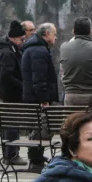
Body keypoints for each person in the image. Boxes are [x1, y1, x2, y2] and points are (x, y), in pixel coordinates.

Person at [22, 23, 60, 172]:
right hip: (38, 98)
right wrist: (44, 99)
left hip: (31, 96)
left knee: (36, 128)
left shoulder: (34, 48)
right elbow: (39, 79)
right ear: (46, 34)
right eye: (54, 33)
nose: (55, 37)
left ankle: (36, 158)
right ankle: (36, 161)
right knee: (40, 129)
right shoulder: (39, 51)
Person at [60, 17, 92, 109]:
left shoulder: (64, 48)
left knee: (73, 123)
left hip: (71, 96)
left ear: (73, 31)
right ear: (90, 31)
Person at [0, 20, 27, 165]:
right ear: (14, 38)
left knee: (10, 125)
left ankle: (9, 154)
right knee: (12, 126)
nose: (23, 41)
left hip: (10, 94)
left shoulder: (10, 51)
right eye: (21, 39)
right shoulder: (8, 53)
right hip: (11, 95)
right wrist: (23, 85)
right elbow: (6, 75)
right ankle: (12, 154)